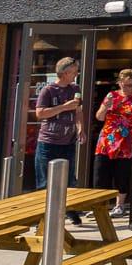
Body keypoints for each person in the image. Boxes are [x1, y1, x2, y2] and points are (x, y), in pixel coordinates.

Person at [93, 68, 132, 215]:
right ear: (119, 82)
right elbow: (99, 117)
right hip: (108, 140)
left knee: (122, 174)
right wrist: (104, 108)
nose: (128, 88)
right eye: (125, 85)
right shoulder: (111, 96)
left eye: (130, 85)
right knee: (100, 174)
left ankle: (119, 205)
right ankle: (99, 207)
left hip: (128, 141)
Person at [32, 57, 84, 189]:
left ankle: (70, 209)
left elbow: (78, 111)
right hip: (48, 143)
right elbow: (40, 113)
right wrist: (64, 107)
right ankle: (44, 209)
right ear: (65, 73)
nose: (76, 75)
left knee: (69, 180)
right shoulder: (48, 90)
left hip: (68, 142)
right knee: (45, 182)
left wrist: (81, 129)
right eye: (74, 72)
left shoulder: (75, 89)